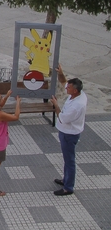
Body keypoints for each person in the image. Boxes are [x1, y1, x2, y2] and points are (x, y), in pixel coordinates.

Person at [49, 65, 87, 196]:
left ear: (75, 91)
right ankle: (66, 179)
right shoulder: (78, 94)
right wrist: (61, 73)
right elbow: (64, 82)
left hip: (69, 133)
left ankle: (68, 187)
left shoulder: (77, 106)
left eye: (69, 88)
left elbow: (63, 118)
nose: (67, 88)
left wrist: (55, 105)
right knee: (67, 159)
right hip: (66, 132)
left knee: (69, 160)